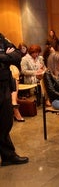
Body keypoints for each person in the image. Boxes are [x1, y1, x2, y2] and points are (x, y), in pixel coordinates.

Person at [0, 32, 29, 166]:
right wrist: (7, 56)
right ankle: (8, 155)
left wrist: (4, 57)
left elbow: (17, 54)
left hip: (4, 85)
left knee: (6, 121)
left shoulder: (1, 37)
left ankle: (7, 156)